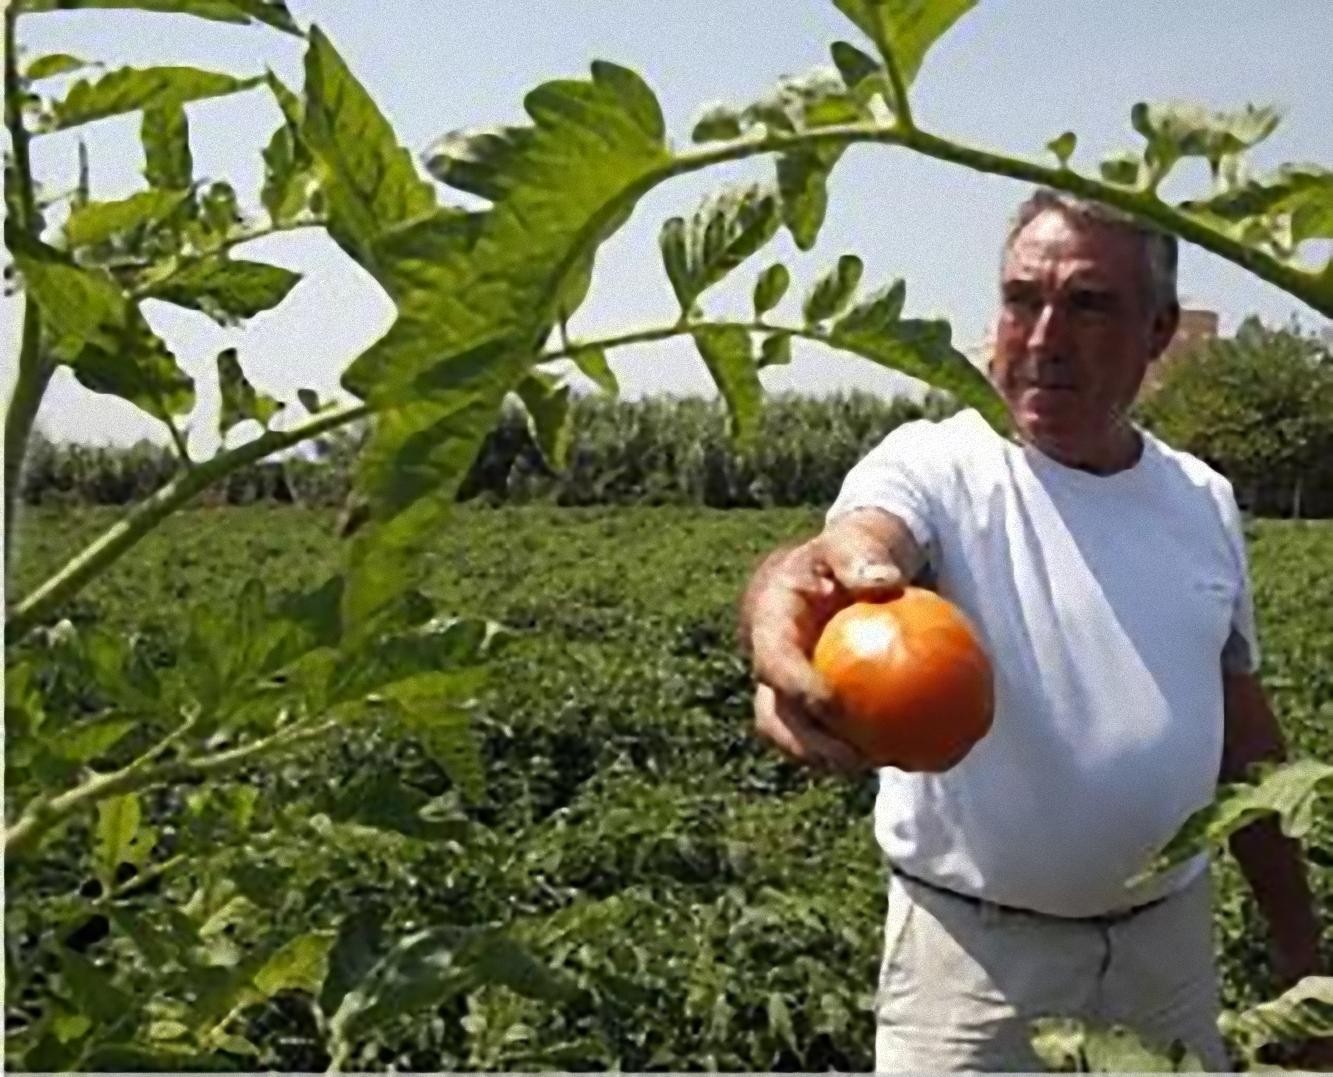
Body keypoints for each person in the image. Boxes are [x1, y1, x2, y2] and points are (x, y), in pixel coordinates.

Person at [738, 189, 1326, 1073]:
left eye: (1087, 304)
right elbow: (855, 546)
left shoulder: (1201, 499)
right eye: (1021, 298)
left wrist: (1299, 950)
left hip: (1165, 957)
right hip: (976, 974)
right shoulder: (936, 464)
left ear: (1158, 329)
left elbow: (1243, 740)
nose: (1044, 336)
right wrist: (787, 588)